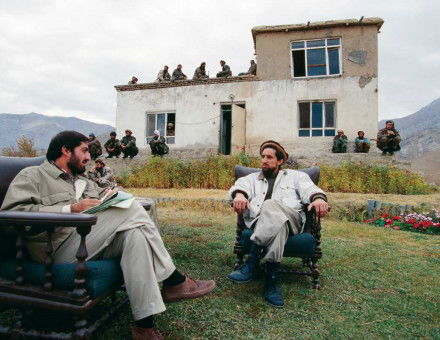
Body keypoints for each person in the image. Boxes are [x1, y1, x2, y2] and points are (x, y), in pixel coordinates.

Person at [1, 131, 216, 340]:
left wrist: (107, 199)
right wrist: (70, 209)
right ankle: (174, 279)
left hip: (87, 242)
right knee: (131, 208)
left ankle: (144, 327)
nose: (89, 157)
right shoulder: (33, 175)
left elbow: (99, 208)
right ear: (65, 150)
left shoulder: (84, 181)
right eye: (84, 151)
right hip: (54, 250)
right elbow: (10, 215)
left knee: (135, 235)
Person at [227, 141, 328, 307]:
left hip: (293, 220)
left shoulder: (297, 176)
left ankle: (252, 262)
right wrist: (239, 195)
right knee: (277, 223)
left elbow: (310, 189)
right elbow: (239, 187)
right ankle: (271, 283)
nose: (264, 160)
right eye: (263, 157)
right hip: (262, 222)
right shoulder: (251, 179)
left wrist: (317, 199)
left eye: (269, 157)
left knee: (270, 204)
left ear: (280, 161)